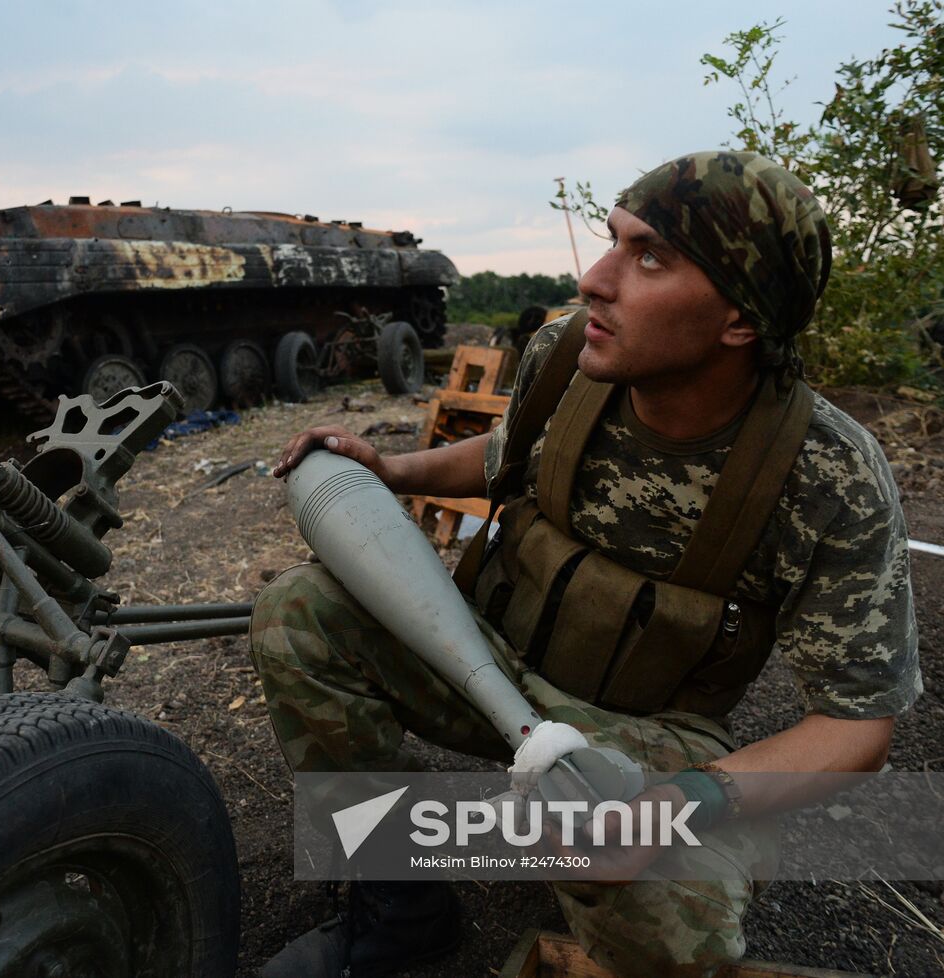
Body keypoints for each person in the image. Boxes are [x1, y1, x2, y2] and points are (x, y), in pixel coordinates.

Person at [250, 150, 921, 978]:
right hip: (489, 666)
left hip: (645, 738)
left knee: (673, 941)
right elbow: (513, 454)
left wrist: (684, 803)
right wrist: (394, 468)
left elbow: (858, 726)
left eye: (649, 258)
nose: (597, 278)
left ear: (741, 320)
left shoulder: (828, 475)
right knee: (299, 613)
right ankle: (402, 907)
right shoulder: (569, 358)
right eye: (613, 240)